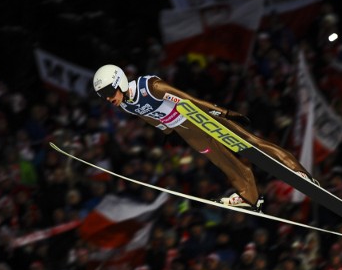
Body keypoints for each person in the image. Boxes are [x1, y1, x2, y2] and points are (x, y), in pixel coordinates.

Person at [92, 64, 316, 211]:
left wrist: (222, 112)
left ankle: (298, 172)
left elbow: (188, 100)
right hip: (187, 132)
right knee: (222, 161)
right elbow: (149, 117)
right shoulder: (127, 106)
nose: (108, 98)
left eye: (109, 92)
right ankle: (250, 195)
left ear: (119, 81)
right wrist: (167, 132)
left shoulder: (150, 87)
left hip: (200, 119)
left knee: (250, 144)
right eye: (103, 96)